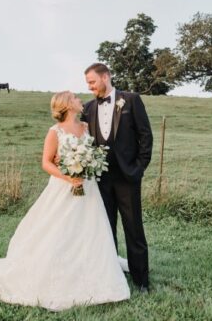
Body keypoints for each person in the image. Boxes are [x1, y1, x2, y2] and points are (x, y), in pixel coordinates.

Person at [0, 91, 130, 311]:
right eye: (74, 98)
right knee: (58, 228)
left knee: (90, 229)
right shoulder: (55, 132)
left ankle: (92, 270)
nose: (79, 100)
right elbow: (46, 162)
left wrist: (89, 166)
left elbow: (93, 152)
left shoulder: (86, 127)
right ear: (66, 105)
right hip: (64, 187)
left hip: (88, 187)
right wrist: (68, 177)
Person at [81, 63, 153, 293]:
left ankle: (141, 280)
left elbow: (145, 136)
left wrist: (139, 168)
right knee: (105, 228)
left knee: (134, 229)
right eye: (88, 84)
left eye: (92, 82)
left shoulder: (131, 100)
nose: (90, 87)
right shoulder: (88, 108)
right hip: (100, 180)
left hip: (127, 178)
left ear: (105, 77)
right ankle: (109, 275)